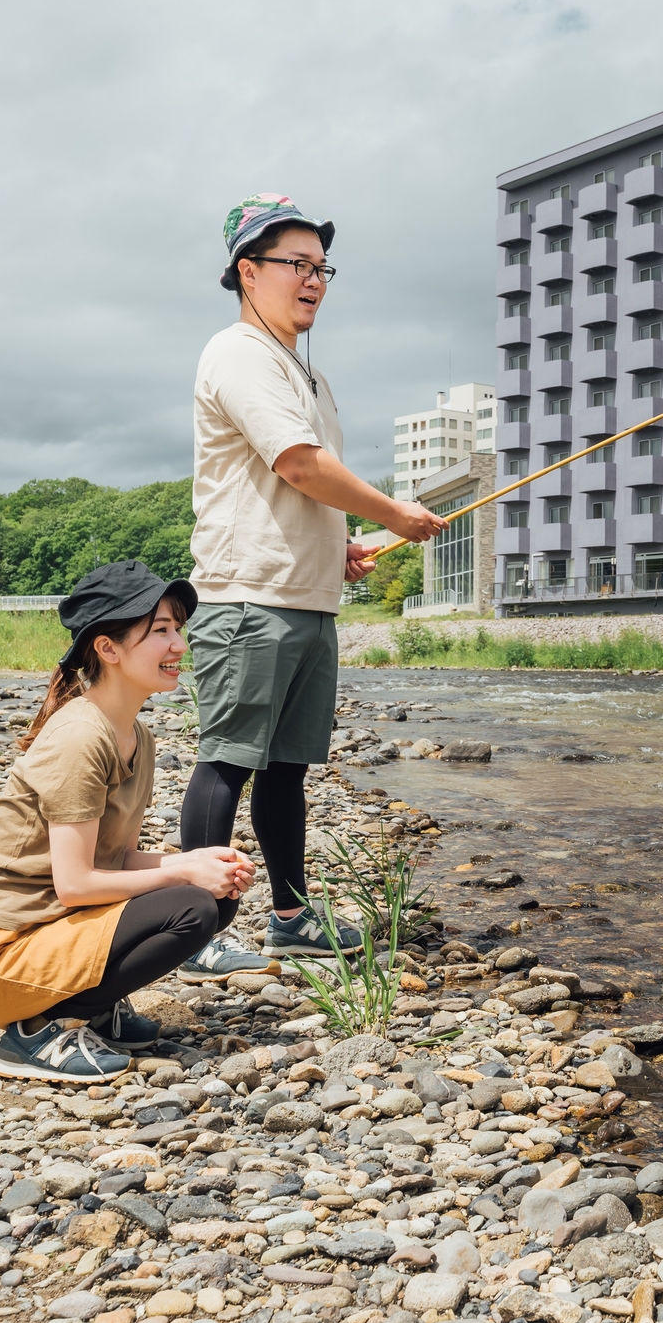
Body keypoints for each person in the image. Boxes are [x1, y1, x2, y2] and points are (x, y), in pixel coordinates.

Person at [178, 193, 444, 959]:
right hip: (247, 597)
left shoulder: (311, 377)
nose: (314, 279)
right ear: (246, 271)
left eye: (322, 266)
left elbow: (304, 486)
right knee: (228, 761)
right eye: (295, 263)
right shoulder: (235, 354)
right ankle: (194, 931)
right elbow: (297, 462)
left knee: (287, 769)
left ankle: (292, 922)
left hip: (307, 598)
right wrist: (393, 514)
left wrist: (342, 547)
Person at [0, 561, 259, 1083]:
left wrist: (194, 861)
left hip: (48, 929)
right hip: (0, 956)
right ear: (107, 648)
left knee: (215, 889)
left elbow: (111, 860)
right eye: (160, 631)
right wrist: (183, 874)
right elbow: (76, 884)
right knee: (191, 904)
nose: (179, 644)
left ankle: (92, 1008)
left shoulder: (136, 734)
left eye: (177, 629)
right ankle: (37, 1029)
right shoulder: (80, 738)